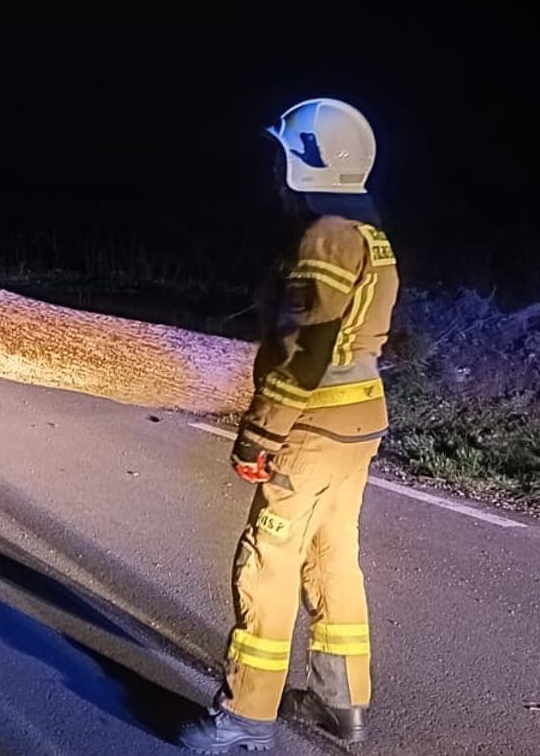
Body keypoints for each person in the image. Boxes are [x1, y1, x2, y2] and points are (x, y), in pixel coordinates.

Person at [182, 98, 399, 752]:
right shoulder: (371, 235)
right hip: (358, 423)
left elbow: (304, 350)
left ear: (311, 164)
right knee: (332, 556)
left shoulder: (325, 238)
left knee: (265, 562)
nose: (274, 172)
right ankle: (341, 701)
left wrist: (260, 434)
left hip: (312, 425)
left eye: (283, 158)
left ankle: (244, 720)